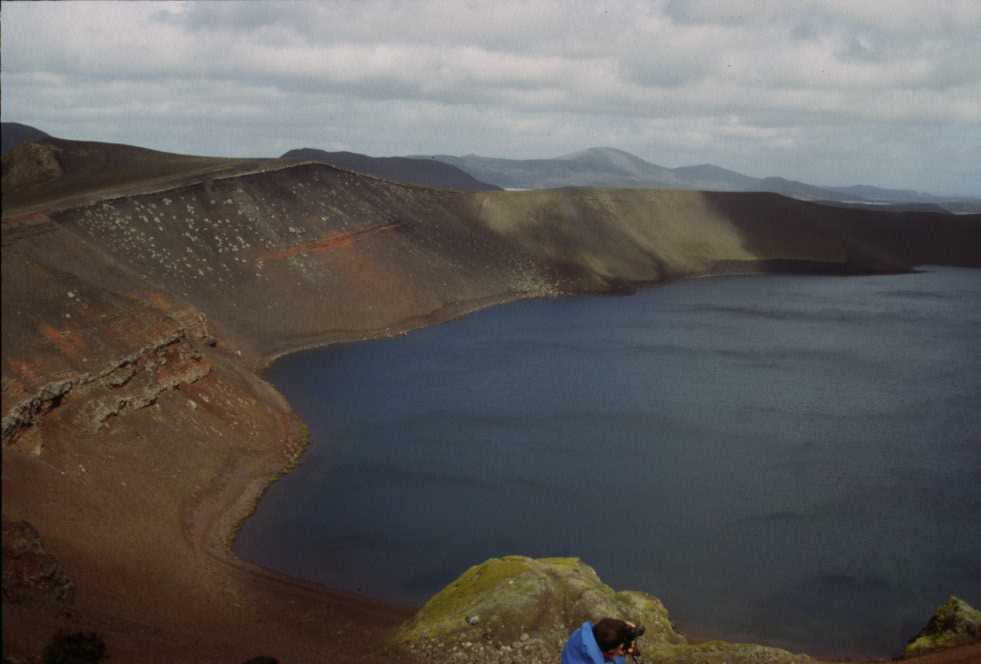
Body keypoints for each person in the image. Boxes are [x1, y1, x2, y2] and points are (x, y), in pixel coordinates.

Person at [560, 618, 637, 664]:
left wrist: (618, 628)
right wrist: (620, 655)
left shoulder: (581, 634)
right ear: (611, 651)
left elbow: (605, 631)